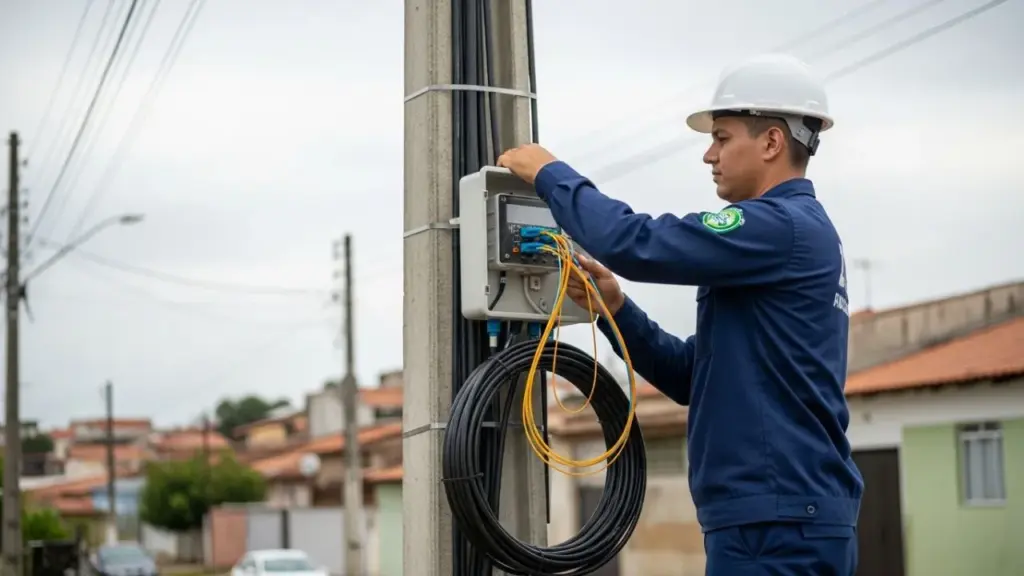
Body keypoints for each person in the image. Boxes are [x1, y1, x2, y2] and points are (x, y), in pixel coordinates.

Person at [497, 53, 863, 575]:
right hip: (776, 518)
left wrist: (550, 175)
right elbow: (695, 377)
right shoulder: (789, 235)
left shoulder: (779, 226)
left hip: (778, 525)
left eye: (722, 137)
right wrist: (615, 308)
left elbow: (632, 242)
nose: (709, 155)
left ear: (771, 142)